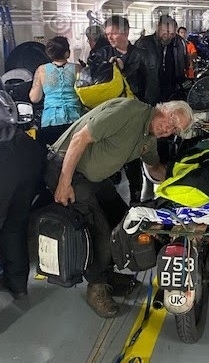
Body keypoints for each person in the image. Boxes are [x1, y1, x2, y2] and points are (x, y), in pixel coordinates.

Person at [44, 97, 194, 318]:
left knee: (122, 220)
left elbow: (154, 168)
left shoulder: (149, 138)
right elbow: (79, 139)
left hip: (94, 177)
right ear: (162, 108)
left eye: (175, 130)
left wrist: (183, 183)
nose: (168, 130)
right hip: (66, 167)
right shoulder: (128, 111)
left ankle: (108, 273)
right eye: (171, 121)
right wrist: (64, 183)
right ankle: (97, 287)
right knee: (101, 229)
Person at [93, 15, 149, 203]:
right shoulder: (101, 54)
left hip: (134, 112)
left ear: (125, 32)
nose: (109, 37)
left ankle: (135, 198)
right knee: (107, 155)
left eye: (114, 33)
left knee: (132, 157)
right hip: (109, 112)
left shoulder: (140, 55)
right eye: (107, 34)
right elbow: (93, 80)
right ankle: (111, 200)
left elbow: (150, 84)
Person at [0, 91, 42, 299]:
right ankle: (18, 287)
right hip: (25, 157)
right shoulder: (2, 97)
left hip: (5, 165)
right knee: (14, 228)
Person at [29, 36, 82, 151]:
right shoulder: (78, 68)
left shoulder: (41, 70)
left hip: (50, 121)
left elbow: (34, 98)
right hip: (75, 120)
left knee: (51, 158)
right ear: (67, 53)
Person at [135, 15, 188, 104]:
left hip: (172, 94)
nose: (168, 36)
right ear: (158, 28)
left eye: (172, 33)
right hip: (149, 95)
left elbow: (184, 64)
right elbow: (135, 70)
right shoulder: (144, 43)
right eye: (165, 32)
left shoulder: (179, 42)